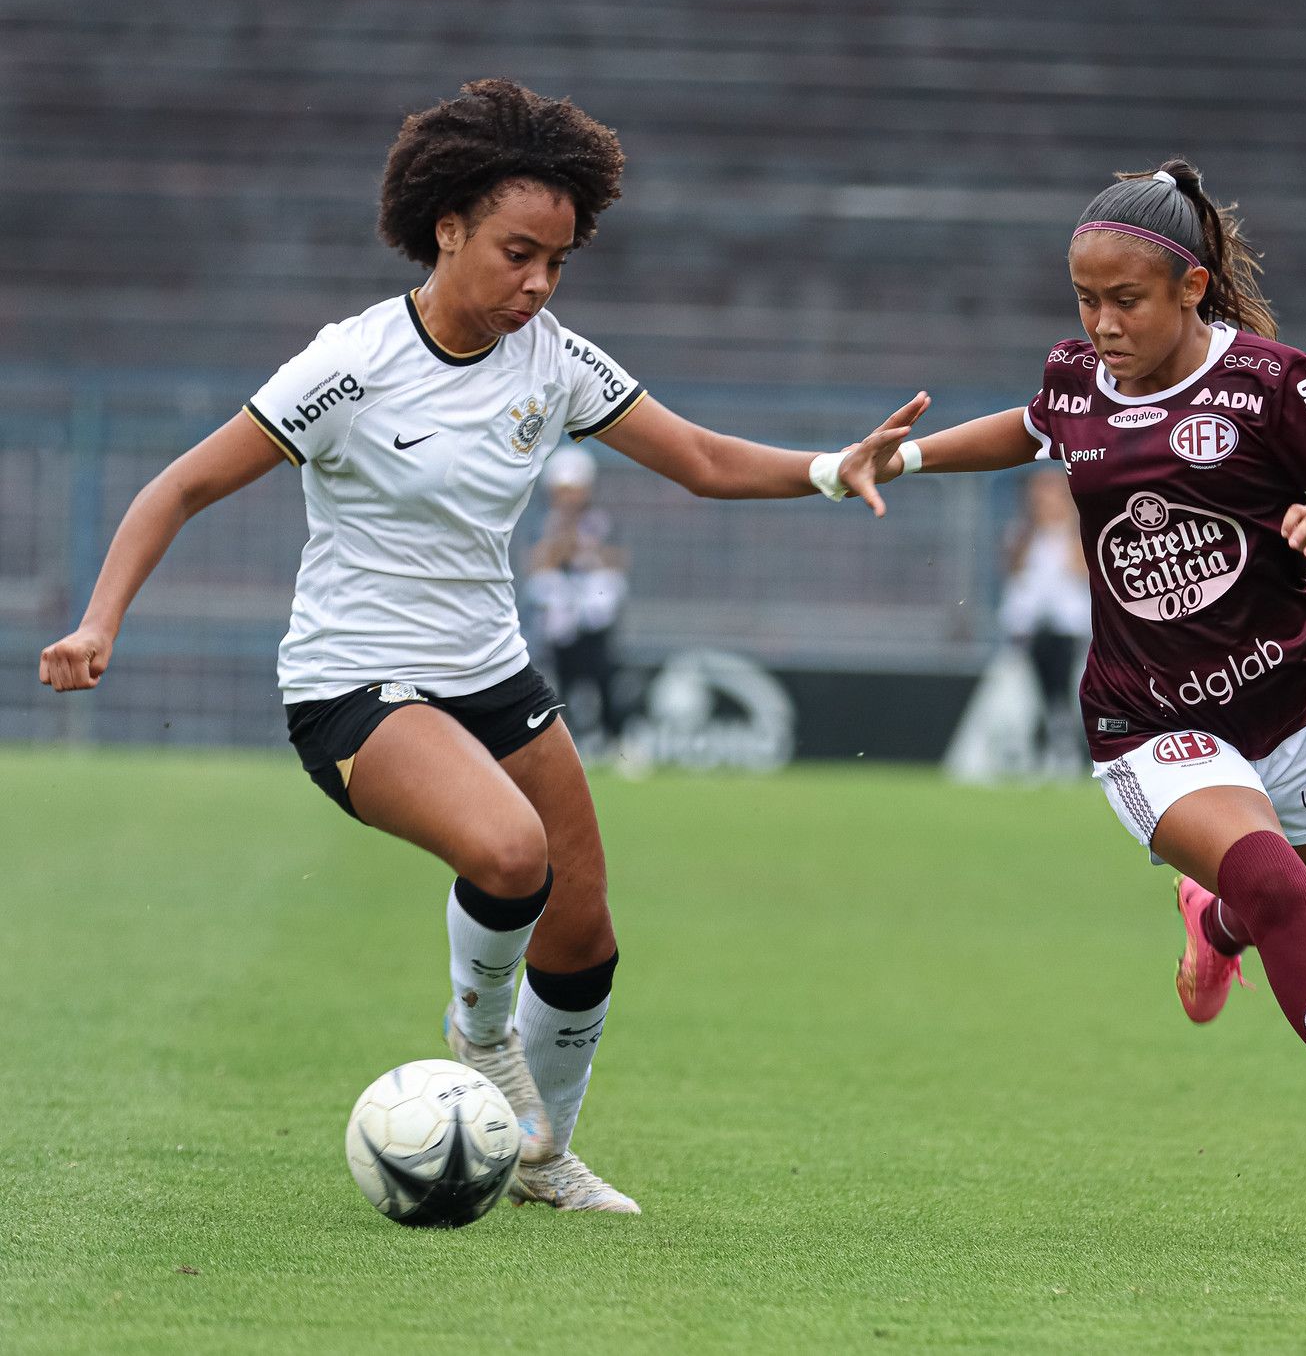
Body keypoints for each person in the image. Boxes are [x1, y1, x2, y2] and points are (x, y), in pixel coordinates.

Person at [39, 79, 926, 1214]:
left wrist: (826, 467)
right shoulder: (349, 364)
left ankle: (543, 1159)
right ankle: (480, 1041)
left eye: (556, 260)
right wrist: (99, 619)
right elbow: (182, 485)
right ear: (445, 225)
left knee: (584, 926)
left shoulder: (552, 359)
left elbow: (698, 460)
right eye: (517, 253)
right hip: (354, 687)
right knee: (511, 855)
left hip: (490, 676)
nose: (537, 283)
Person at [839, 160, 1306, 1202]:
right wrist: (902, 459)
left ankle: (1208, 924)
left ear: (1189, 288)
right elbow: (1029, 425)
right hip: (1147, 721)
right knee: (1274, 884)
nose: (1100, 323)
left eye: (1123, 299)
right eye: (1084, 300)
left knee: (1298, 905)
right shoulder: (1077, 376)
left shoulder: (1273, 384)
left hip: (1287, 701)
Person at [526, 445, 631, 751]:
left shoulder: (601, 522)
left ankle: (615, 738)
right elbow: (537, 565)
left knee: (603, 674)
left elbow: (618, 561)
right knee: (561, 680)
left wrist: (589, 550)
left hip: (593, 615)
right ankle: (565, 741)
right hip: (559, 618)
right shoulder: (544, 524)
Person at [997, 466, 1091, 772]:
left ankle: (1066, 752)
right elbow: (1017, 580)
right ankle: (1035, 752)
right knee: (1033, 693)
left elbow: (1081, 575)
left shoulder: (1079, 533)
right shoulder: (1023, 534)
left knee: (1066, 691)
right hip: (1031, 629)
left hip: (1070, 629)